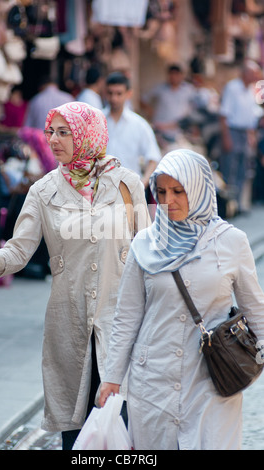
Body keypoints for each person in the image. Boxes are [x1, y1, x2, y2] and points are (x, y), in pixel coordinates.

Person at [0, 101, 151, 449]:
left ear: (86, 135)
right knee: (77, 433)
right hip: (70, 325)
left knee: (124, 430)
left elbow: (150, 251)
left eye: (63, 132)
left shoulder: (128, 184)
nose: (52, 140)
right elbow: (19, 251)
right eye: (50, 131)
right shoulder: (43, 191)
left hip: (121, 325)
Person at [99, 148, 264, 450]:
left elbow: (256, 311)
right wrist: (112, 377)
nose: (168, 201)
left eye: (178, 191)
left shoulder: (231, 241)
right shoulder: (144, 244)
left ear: (199, 189)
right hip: (152, 383)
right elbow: (127, 316)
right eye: (161, 192)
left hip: (213, 380)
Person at [103, 71, 161, 191]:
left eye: (119, 93)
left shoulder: (139, 125)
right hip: (100, 191)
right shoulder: (96, 121)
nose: (114, 98)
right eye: (110, 93)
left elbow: (153, 157)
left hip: (129, 192)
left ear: (129, 94)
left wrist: (142, 184)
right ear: (105, 93)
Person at [220, 60, 263, 213]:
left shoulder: (251, 90)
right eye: (253, 73)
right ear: (245, 73)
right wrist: (226, 137)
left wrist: (251, 136)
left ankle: (237, 205)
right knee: (229, 169)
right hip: (232, 131)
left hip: (245, 133)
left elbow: (251, 115)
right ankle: (226, 207)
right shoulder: (232, 88)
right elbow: (224, 114)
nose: (256, 76)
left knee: (242, 170)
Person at [141, 64, 196, 144]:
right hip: (161, 130)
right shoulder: (160, 88)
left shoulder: (188, 90)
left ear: (181, 75)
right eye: (171, 74)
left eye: (176, 74)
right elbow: (143, 99)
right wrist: (150, 111)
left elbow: (195, 107)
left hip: (180, 132)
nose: (173, 77)